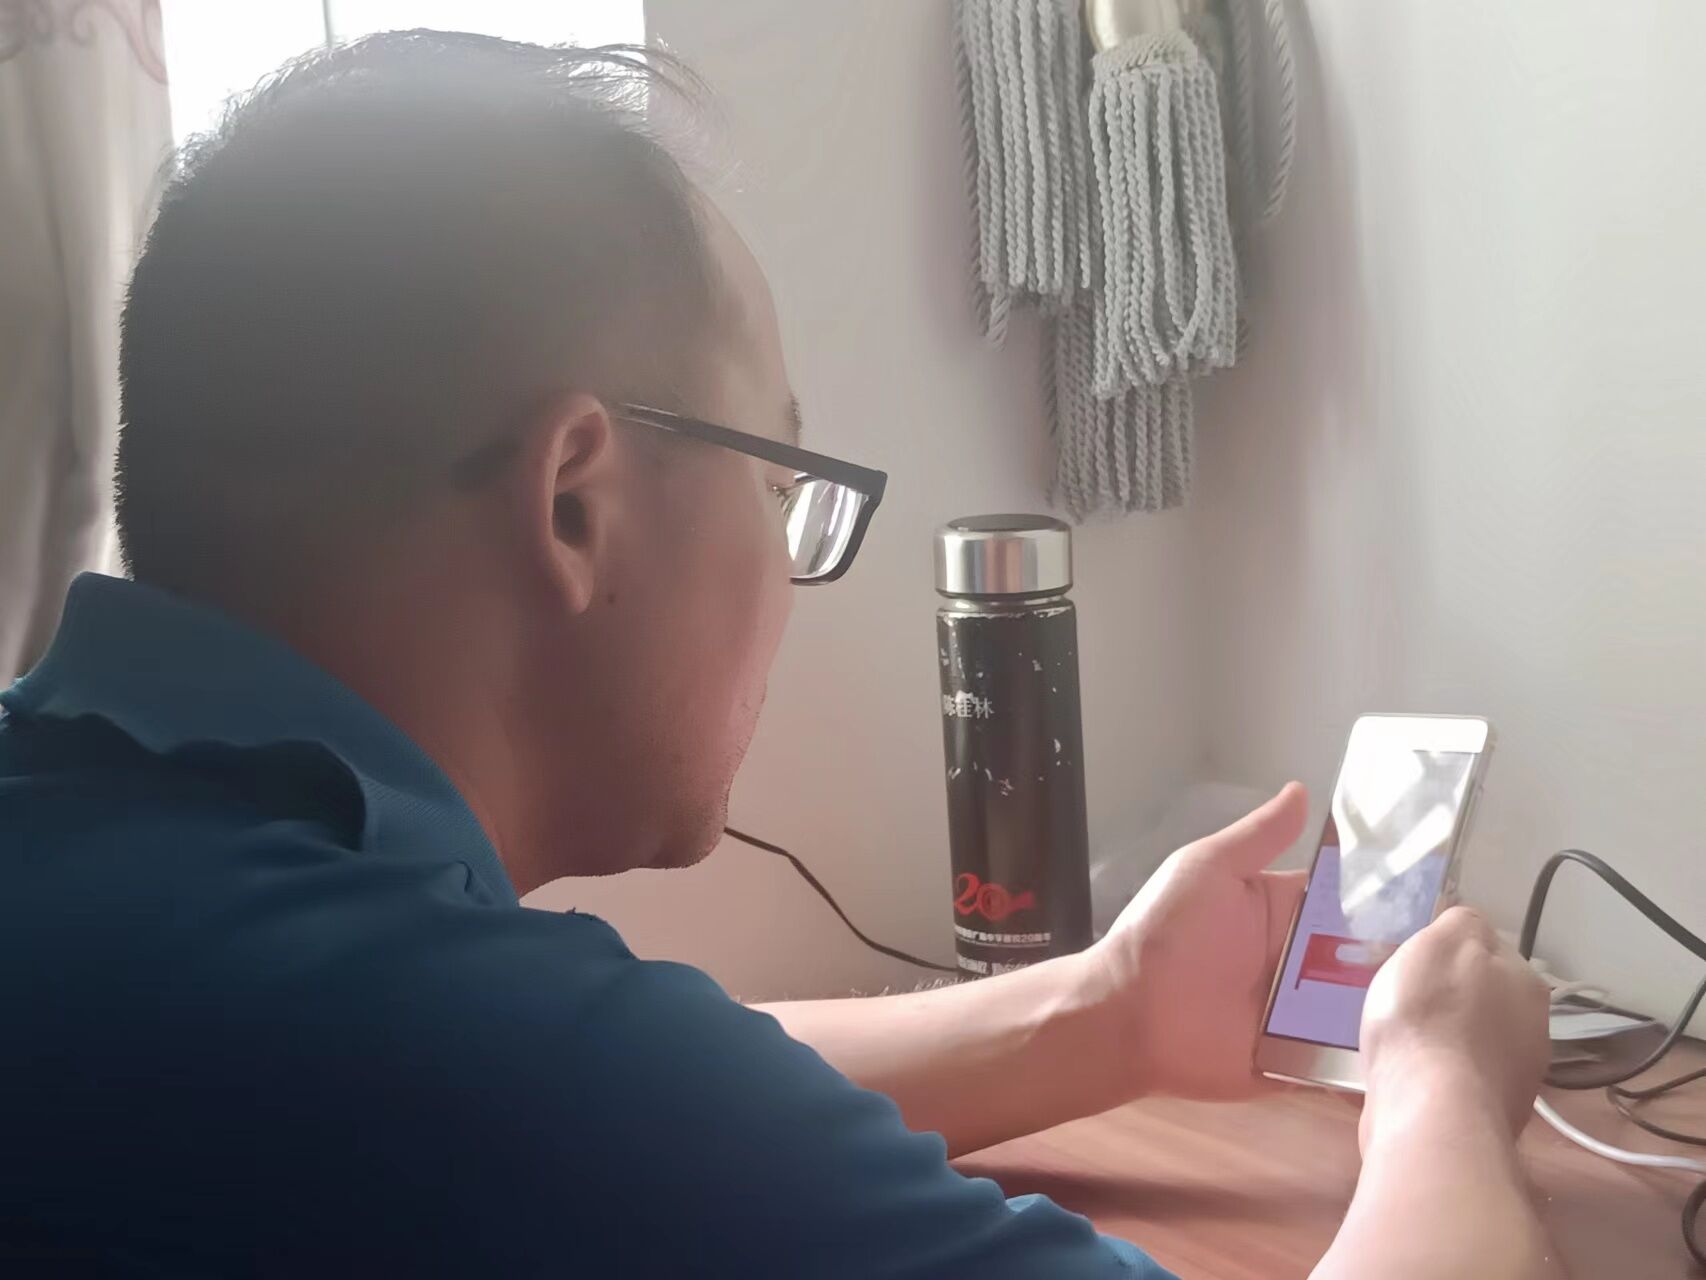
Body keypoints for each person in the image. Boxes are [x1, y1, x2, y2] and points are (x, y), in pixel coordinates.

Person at [0, 31, 1558, 1278]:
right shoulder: (432, 1059)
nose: (792, 563)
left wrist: (1107, 1013)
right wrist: (1440, 1084)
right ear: (574, 504)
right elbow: (567, 1091)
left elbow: (645, 1074)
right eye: (777, 480)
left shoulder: (140, 869)